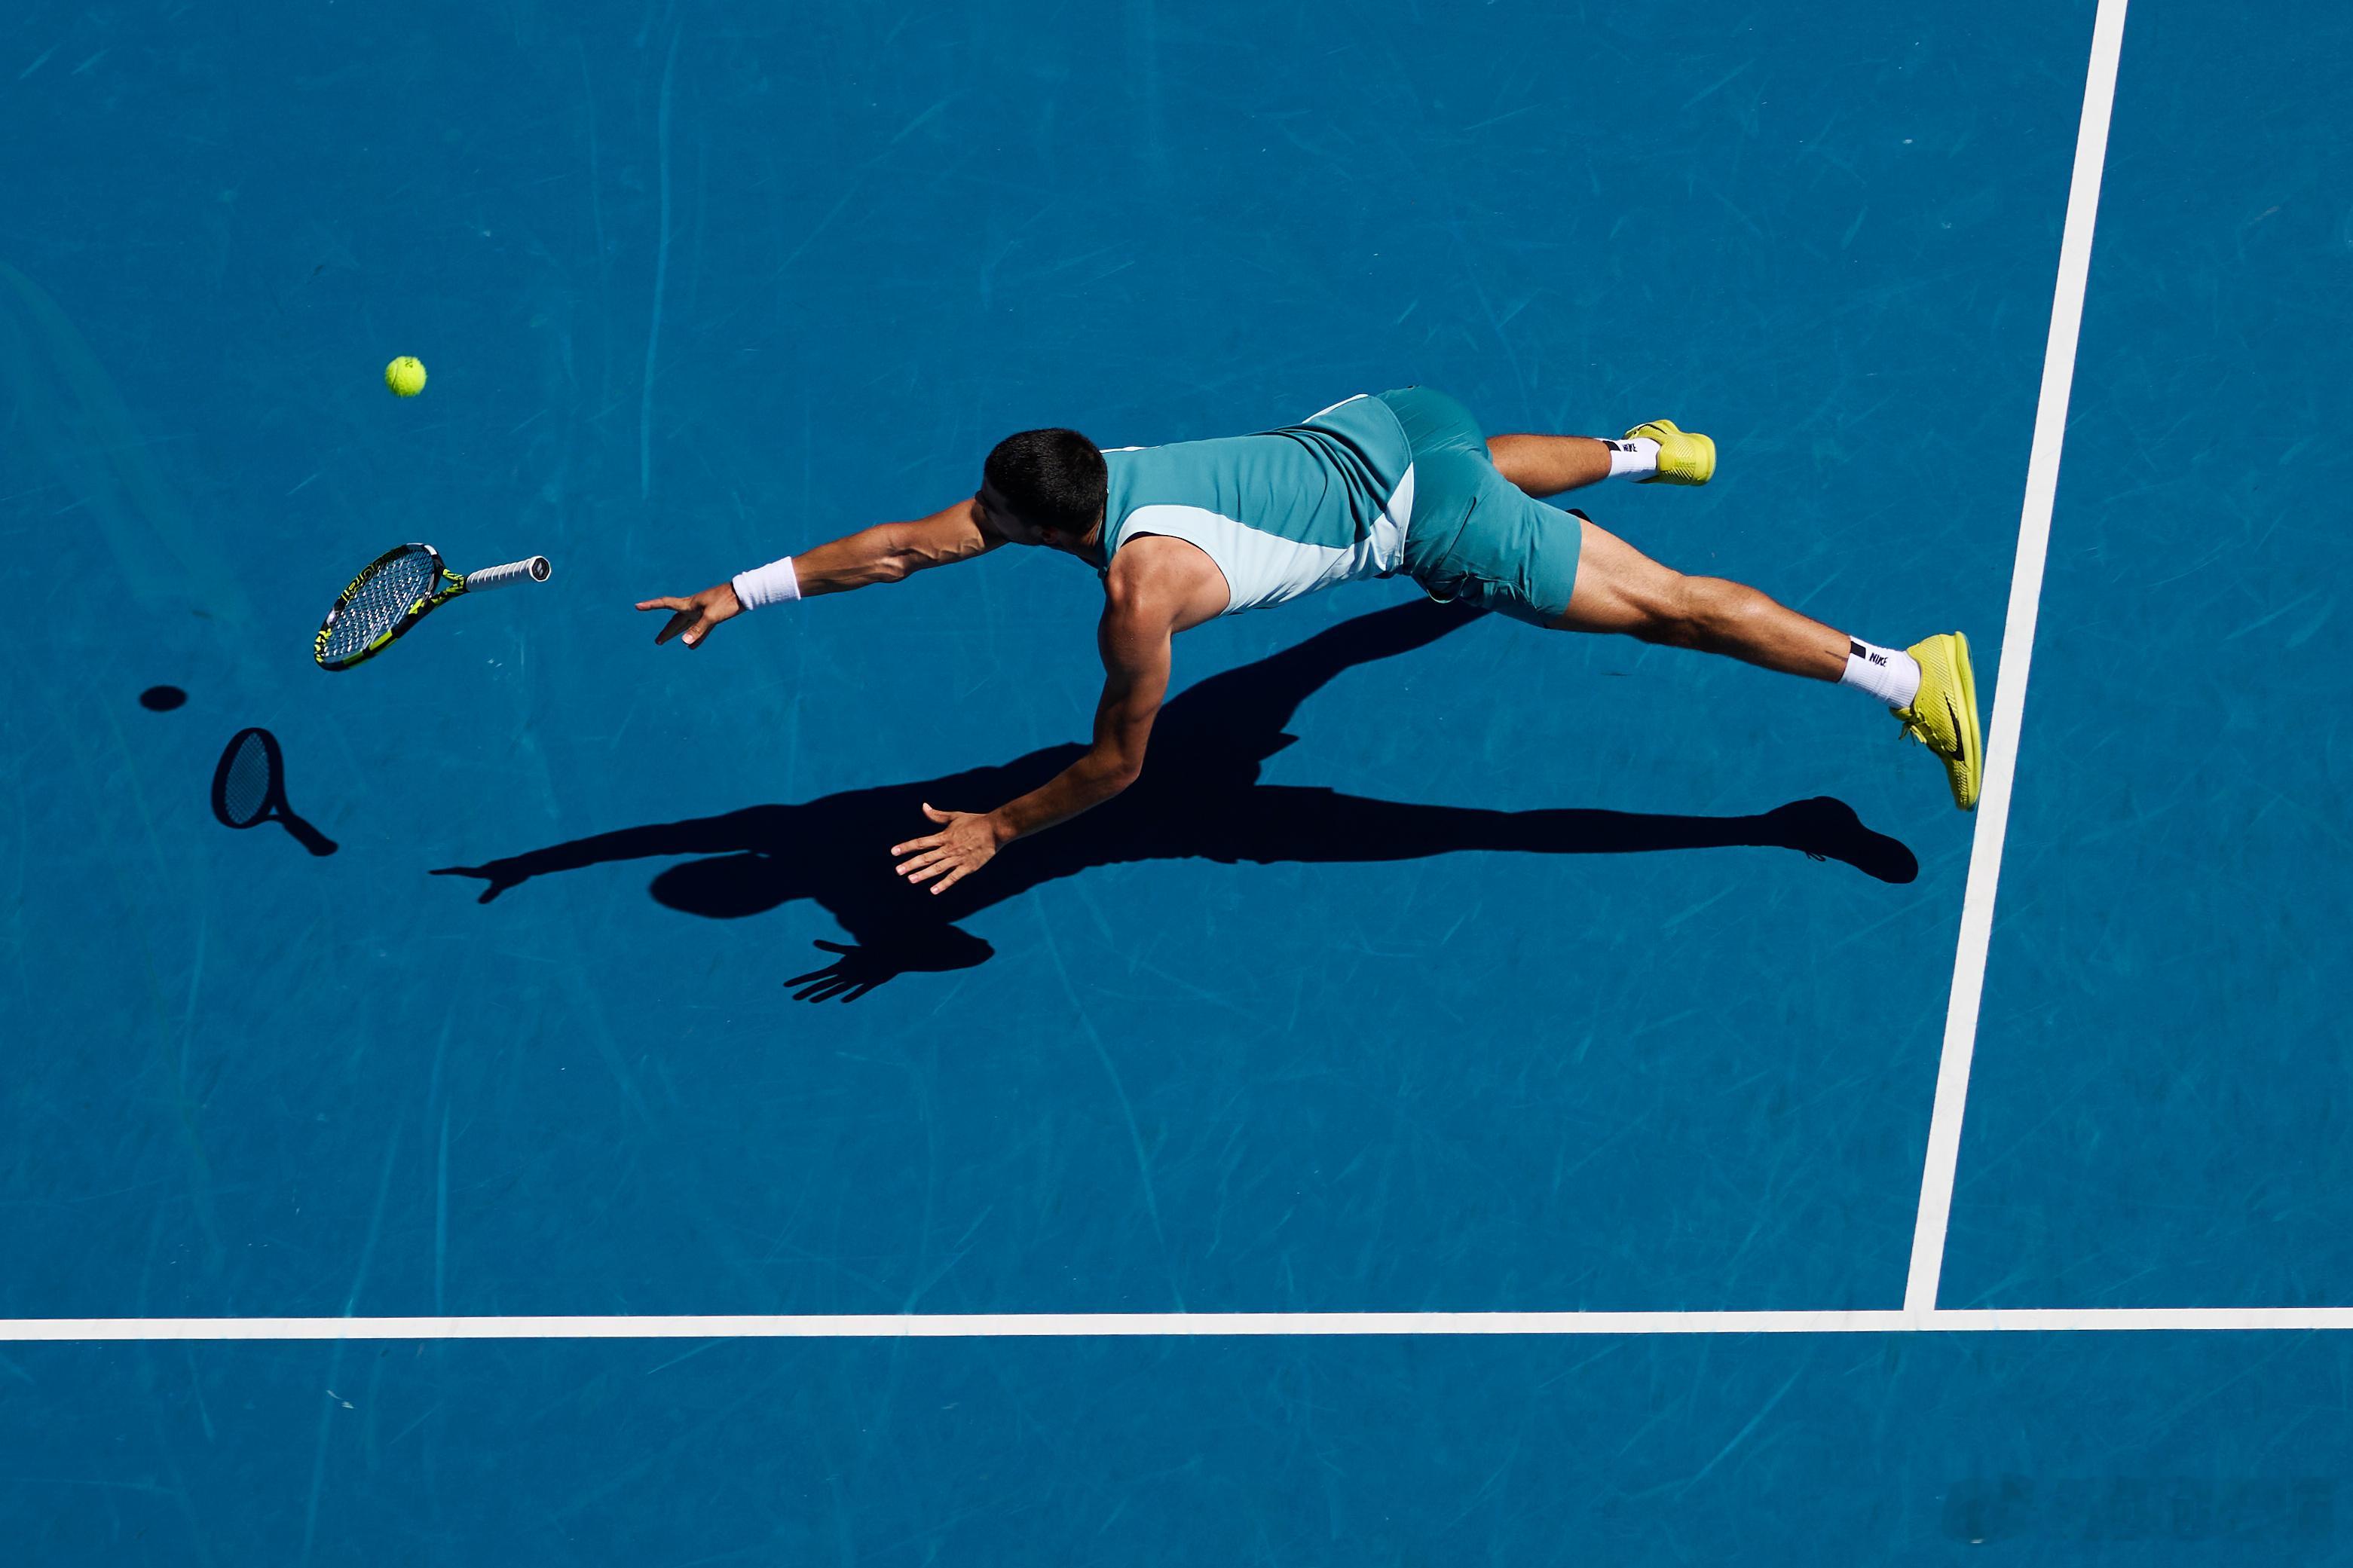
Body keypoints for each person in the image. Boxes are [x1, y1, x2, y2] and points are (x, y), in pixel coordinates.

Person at [635, 389, 1980, 896]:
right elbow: (899, 545)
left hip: (1430, 519)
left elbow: (1115, 772)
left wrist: (997, 828)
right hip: (1398, 415)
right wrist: (741, 591)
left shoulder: (1138, 600)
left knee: (1669, 610)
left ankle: (1905, 676)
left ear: (1043, 524)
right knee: (1464, 482)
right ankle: (1646, 447)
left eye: (990, 518)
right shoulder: (1099, 468)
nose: (964, 529)